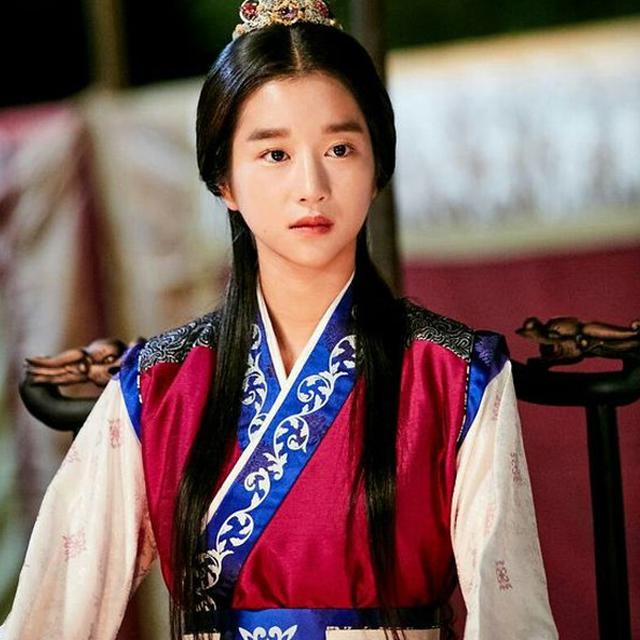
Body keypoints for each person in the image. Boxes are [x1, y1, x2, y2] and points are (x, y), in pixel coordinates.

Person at [0, 1, 559, 638]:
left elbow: (512, 621)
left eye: (340, 148)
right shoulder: (156, 388)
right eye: (274, 154)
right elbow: (49, 619)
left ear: (377, 168)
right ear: (224, 181)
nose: (311, 184)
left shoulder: (456, 376)